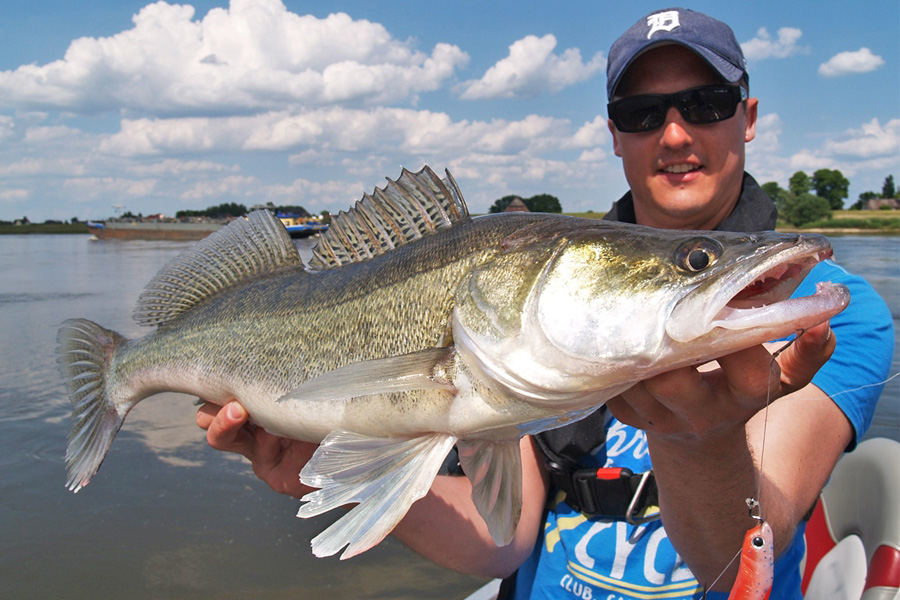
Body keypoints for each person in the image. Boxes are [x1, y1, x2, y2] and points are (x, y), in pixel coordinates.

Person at [196, 8, 894, 599]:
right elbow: (501, 543)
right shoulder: (529, 335)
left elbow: (734, 564)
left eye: (705, 104)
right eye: (642, 113)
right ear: (615, 134)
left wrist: (700, 440)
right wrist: (343, 473)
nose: (675, 134)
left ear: (747, 118)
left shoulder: (834, 316)